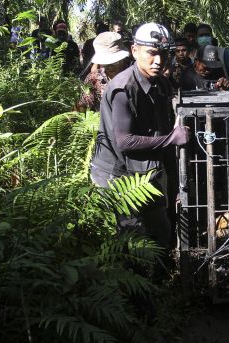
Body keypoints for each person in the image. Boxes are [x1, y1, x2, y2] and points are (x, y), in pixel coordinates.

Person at [90, 23, 190, 278]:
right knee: (132, 237)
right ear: (134, 51)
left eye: (163, 54)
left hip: (149, 170)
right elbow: (124, 141)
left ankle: (162, 284)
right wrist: (171, 139)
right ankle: (136, 294)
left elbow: (160, 130)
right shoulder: (123, 89)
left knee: (161, 229)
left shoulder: (162, 85)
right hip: (119, 175)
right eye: (151, 53)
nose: (158, 60)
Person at [76, 32, 131, 112]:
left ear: (122, 59)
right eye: (106, 64)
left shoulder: (134, 75)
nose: (110, 67)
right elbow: (83, 106)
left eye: (114, 62)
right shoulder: (94, 78)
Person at [195, 23, 229, 89]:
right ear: (196, 38)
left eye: (207, 35)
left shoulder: (223, 52)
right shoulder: (195, 55)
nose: (204, 38)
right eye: (201, 35)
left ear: (212, 37)